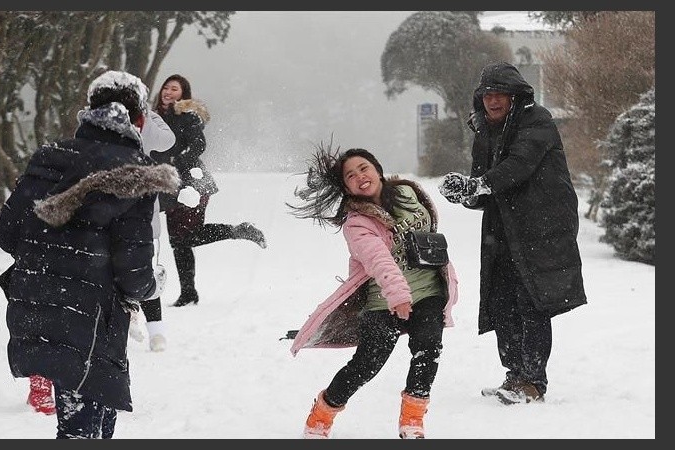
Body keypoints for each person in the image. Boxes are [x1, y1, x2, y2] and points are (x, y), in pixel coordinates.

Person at [0, 70, 179, 438]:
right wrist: (150, 286)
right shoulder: (137, 171)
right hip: (93, 317)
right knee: (86, 428)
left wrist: (55, 255)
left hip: (38, 305)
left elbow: (7, 233)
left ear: (89, 110)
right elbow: (133, 270)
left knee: (78, 423)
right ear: (139, 119)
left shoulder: (50, 155)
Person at [438, 61, 587, 405]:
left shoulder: (538, 121)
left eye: (500, 93)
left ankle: (533, 383)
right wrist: (465, 192)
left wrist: (479, 185)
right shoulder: (484, 129)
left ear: (515, 96)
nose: (492, 100)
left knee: (531, 300)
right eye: (487, 94)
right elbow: (484, 188)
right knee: (501, 302)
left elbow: (518, 167)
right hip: (502, 229)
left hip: (541, 226)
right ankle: (515, 375)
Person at [287, 145, 460, 439]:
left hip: (429, 290)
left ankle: (412, 421)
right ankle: (322, 413)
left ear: (377, 170)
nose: (360, 176)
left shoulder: (409, 193)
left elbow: (429, 228)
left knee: (427, 352)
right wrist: (398, 295)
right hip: (384, 302)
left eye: (364, 168)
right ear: (346, 187)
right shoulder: (356, 223)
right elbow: (379, 261)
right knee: (367, 364)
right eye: (351, 175)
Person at [150, 73, 267, 307]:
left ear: (183, 94)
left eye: (174, 89)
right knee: (179, 240)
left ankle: (238, 231)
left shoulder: (188, 116)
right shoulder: (154, 118)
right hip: (169, 185)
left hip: (193, 182)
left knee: (187, 236)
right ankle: (189, 292)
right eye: (166, 87)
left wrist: (178, 160)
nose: (168, 92)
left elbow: (198, 145)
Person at [128, 108, 177, 352]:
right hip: (132, 212)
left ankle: (151, 328)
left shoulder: (141, 120)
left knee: (142, 271)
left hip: (132, 211)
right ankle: (148, 327)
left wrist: (148, 114)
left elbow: (168, 140)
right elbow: (167, 139)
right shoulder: (141, 120)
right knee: (143, 270)